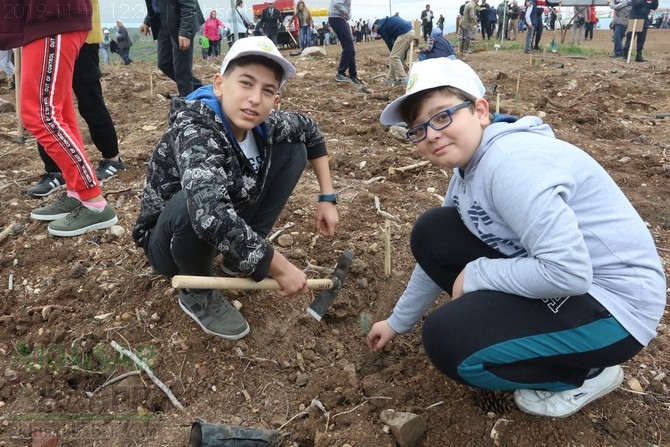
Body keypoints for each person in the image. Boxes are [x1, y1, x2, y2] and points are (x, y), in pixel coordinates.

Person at [368, 57, 666, 419]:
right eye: (418, 129)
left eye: (442, 116)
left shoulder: (510, 165)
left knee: (449, 342)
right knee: (434, 230)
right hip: (568, 281)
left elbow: (569, 272)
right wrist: (397, 321)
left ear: (480, 110)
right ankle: (532, 334)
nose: (430, 134)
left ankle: (585, 374)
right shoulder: (467, 170)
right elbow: (435, 254)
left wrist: (478, 274)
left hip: (616, 309)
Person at [132, 36, 339, 340]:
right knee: (197, 202)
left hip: (220, 224)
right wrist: (279, 266)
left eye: (267, 91)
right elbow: (209, 214)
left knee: (294, 148)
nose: (255, 98)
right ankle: (197, 290)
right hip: (169, 244)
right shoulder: (196, 128)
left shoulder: (264, 125)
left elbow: (310, 129)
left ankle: (237, 257)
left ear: (276, 101)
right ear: (219, 85)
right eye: (245, 83)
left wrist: (327, 197)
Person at [0, 0, 118, 237]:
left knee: (40, 114)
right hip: (47, 19)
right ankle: (77, 192)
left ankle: (94, 201)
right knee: (59, 112)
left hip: (52, 16)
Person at [27, 3, 125, 198]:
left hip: (81, 32)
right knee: (50, 104)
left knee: (89, 99)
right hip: (45, 32)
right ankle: (55, 170)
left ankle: (112, 158)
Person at [141, 0, 205, 98]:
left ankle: (187, 103)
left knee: (181, 68)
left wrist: (185, 31)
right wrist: (147, 21)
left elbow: (188, 5)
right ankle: (199, 89)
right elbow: (156, 3)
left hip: (182, 22)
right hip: (164, 21)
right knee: (164, 63)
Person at [372, 16, 415, 85]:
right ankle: (391, 77)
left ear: (374, 26)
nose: (377, 33)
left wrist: (392, 52)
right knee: (393, 56)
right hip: (410, 32)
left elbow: (388, 42)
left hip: (405, 34)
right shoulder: (387, 21)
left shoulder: (381, 27)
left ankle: (403, 78)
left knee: (393, 56)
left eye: (374, 31)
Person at [328, 0, 363, 85]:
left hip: (340, 19)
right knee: (349, 46)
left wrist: (347, 13)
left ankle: (353, 75)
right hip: (336, 18)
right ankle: (341, 73)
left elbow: (348, 16)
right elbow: (336, 4)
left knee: (350, 47)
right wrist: (345, 12)